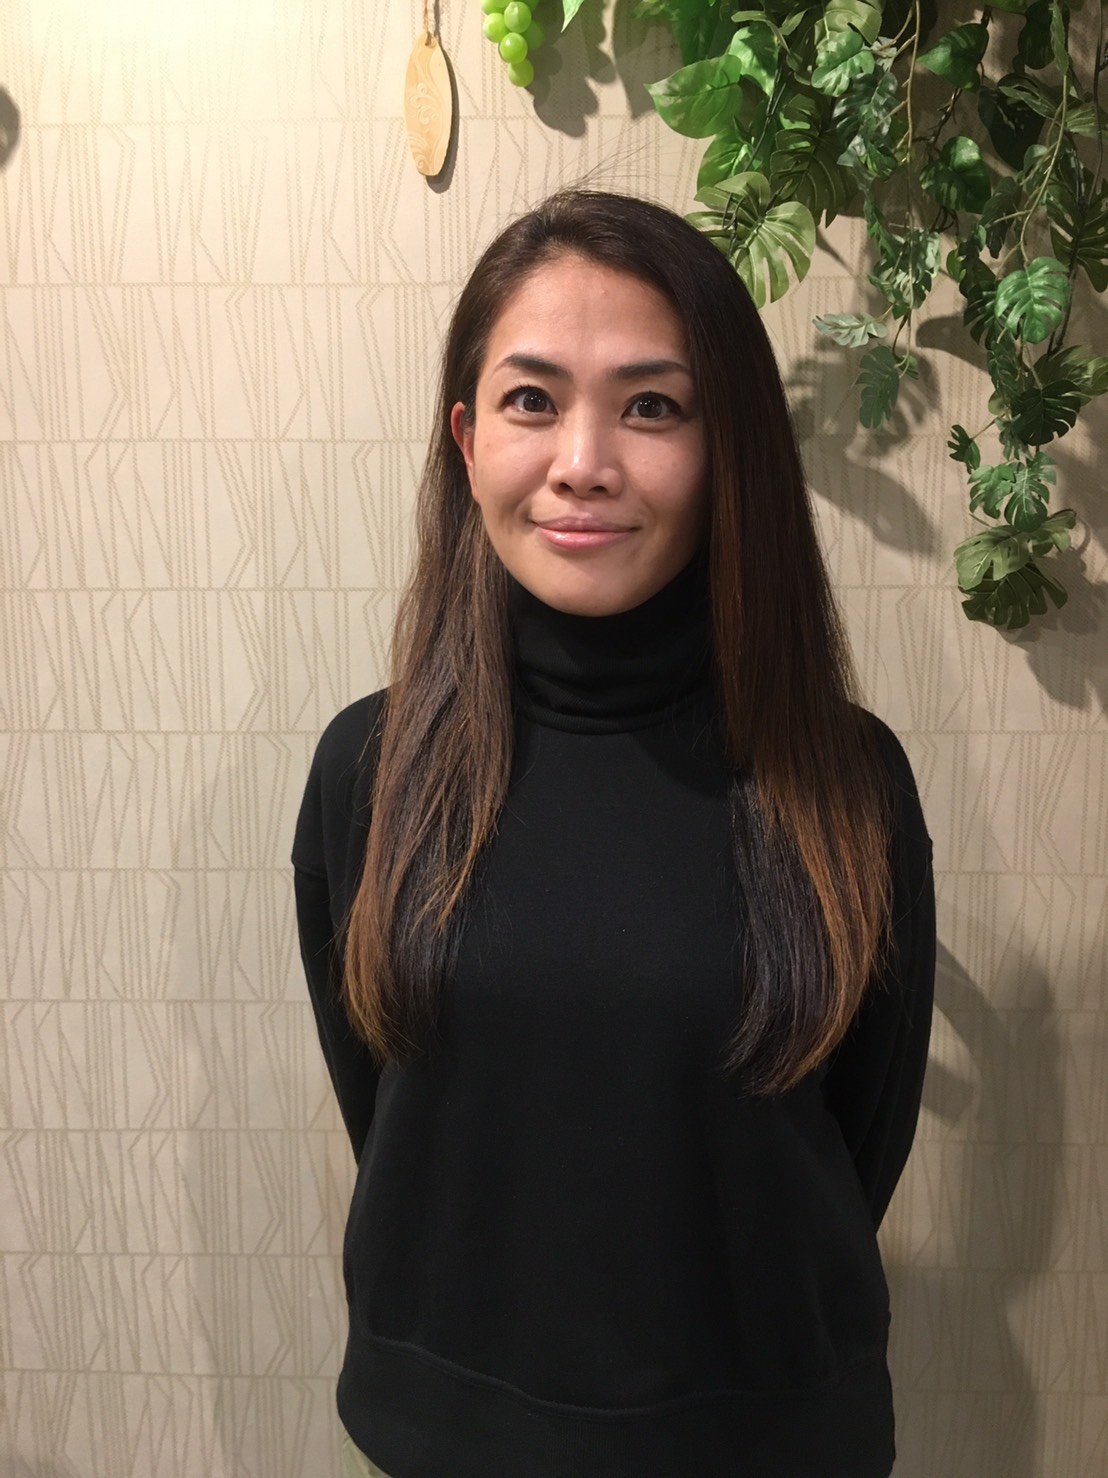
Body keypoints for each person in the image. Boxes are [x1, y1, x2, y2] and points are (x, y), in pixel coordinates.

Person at [292, 188, 936, 1478]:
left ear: (728, 446)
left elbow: (855, 1146)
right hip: (443, 1439)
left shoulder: (845, 782)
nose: (583, 461)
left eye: (652, 407)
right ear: (467, 438)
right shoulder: (372, 767)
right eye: (532, 400)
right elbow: (395, 1111)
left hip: (774, 1445)